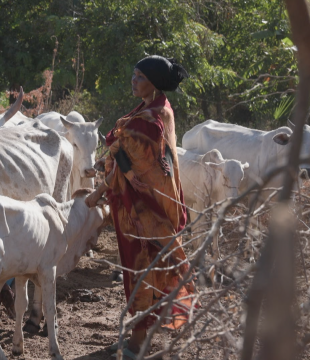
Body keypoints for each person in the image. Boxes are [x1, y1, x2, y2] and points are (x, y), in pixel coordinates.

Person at [85, 55, 196, 359]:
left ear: (155, 83)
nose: (133, 82)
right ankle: (140, 335)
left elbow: (131, 164)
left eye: (140, 77)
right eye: (133, 75)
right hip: (161, 202)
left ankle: (138, 342)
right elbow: (124, 152)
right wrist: (112, 158)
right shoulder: (158, 108)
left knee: (141, 269)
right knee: (145, 268)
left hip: (145, 209)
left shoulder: (148, 120)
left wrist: (99, 190)